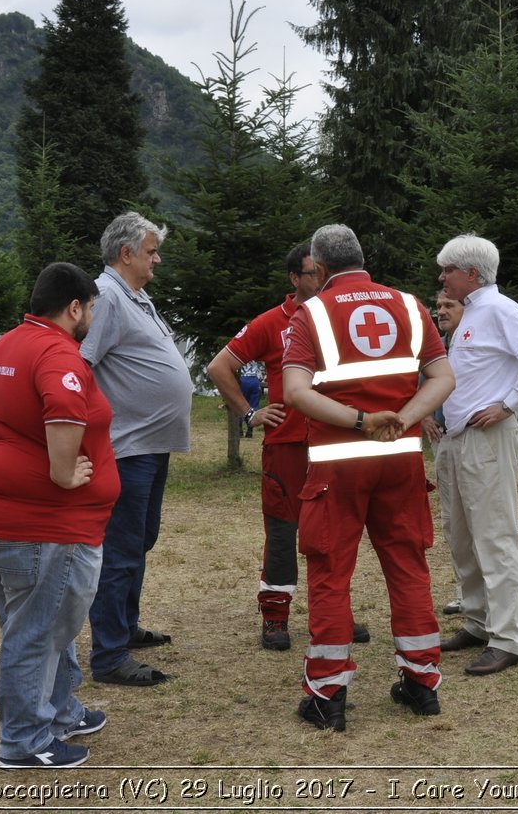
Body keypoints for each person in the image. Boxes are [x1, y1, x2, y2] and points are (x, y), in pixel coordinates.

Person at [282, 224, 453, 731]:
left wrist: (360, 421)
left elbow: (295, 392)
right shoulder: (409, 305)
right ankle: (422, 684)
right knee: (408, 565)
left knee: (331, 572)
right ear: (362, 258)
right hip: (400, 460)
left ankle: (327, 694)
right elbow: (443, 378)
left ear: (320, 266)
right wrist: (402, 416)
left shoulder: (309, 313)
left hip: (338, 463)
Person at [0, 262, 118, 770]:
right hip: (43, 526)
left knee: (38, 621)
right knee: (37, 629)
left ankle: (61, 709)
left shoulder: (7, 344)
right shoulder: (59, 353)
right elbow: (65, 410)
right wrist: (60, 472)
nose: (91, 315)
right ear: (75, 307)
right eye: (91, 307)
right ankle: (24, 741)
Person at [205, 242, 373, 653]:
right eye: (312, 273)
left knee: (336, 529)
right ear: (294, 279)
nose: (321, 278)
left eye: (322, 271)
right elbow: (218, 367)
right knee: (283, 532)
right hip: (287, 446)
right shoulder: (271, 323)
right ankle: (276, 615)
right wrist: (249, 412)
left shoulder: (339, 315)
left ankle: (335, 613)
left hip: (334, 442)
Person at [435, 233, 518, 676]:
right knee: (462, 532)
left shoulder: (500, 309)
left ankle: (508, 638)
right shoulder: (473, 313)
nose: (442, 277)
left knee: (493, 534)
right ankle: (478, 621)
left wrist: (511, 403)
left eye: (447, 269)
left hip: (486, 439)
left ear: (471, 273)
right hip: (457, 439)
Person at [80, 212, 195, 687]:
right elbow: (80, 366)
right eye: (150, 251)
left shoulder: (136, 296)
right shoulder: (105, 296)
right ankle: (108, 656)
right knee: (121, 548)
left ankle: (125, 627)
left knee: (139, 540)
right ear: (125, 254)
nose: (157, 258)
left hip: (150, 443)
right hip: (126, 446)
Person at [422, 291, 465, 616]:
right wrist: (424, 416)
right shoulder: (435, 345)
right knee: (453, 521)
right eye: (438, 307)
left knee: (479, 522)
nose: (441, 312)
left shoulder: (473, 346)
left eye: (449, 305)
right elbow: (421, 384)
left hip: (472, 439)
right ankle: (466, 593)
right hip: (443, 441)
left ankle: (483, 598)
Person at [237, 361, 264, 437]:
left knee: (240, 403)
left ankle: (239, 429)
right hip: (255, 380)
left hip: (244, 378)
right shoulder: (256, 356)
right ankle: (250, 430)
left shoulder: (240, 355)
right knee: (254, 405)